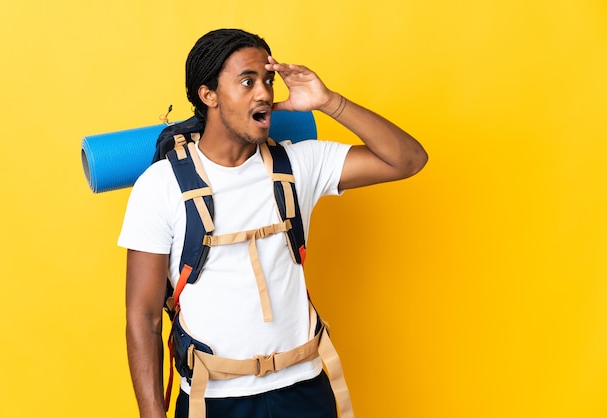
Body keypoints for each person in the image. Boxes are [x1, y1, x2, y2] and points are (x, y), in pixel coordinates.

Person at [118, 28, 428, 418]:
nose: (264, 92)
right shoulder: (160, 186)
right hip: (212, 399)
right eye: (247, 81)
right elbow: (142, 317)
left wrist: (330, 102)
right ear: (208, 95)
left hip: (304, 389)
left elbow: (408, 160)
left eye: (268, 80)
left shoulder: (300, 164)